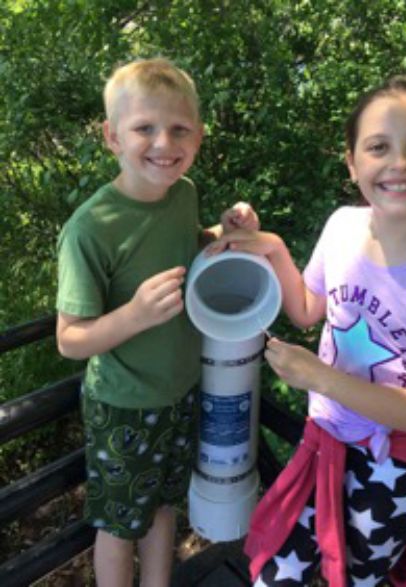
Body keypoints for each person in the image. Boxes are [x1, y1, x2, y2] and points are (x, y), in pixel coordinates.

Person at [210, 75, 406, 586]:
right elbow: (307, 309)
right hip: (325, 440)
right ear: (352, 163)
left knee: (355, 579)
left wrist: (319, 378)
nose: (400, 164)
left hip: (398, 465)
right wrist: (272, 249)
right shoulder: (341, 225)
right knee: (275, 573)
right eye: (379, 147)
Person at [56, 57, 259, 587]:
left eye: (179, 129)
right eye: (144, 127)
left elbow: (188, 249)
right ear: (112, 136)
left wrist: (225, 233)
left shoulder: (183, 193)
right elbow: (71, 340)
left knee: (166, 506)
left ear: (198, 136)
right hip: (124, 406)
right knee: (120, 526)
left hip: (183, 390)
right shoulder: (90, 230)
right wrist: (134, 314)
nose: (163, 142)